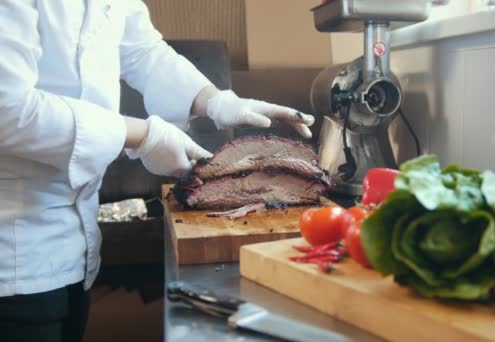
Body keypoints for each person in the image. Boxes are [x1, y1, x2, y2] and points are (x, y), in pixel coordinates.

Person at [0, 1, 315, 341]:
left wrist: (217, 101)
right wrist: (141, 135)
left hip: (72, 244)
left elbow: (144, 53)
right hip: (13, 246)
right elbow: (8, 109)